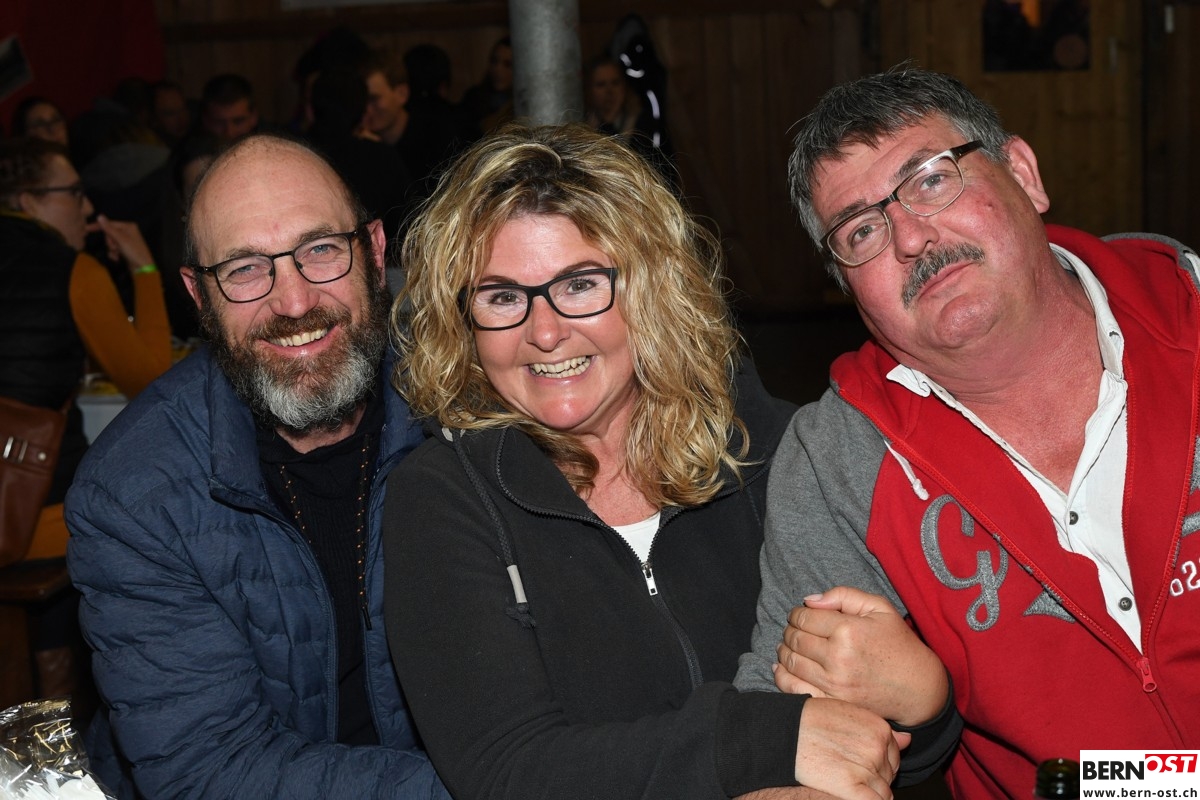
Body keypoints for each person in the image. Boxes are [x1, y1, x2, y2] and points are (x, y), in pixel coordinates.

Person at [384, 123, 955, 800]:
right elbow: (507, 772)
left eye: (580, 284)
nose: (545, 332)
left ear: (649, 290)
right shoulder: (443, 497)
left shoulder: (773, 450)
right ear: (463, 322)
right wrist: (755, 743)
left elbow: (878, 735)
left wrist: (928, 707)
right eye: (503, 297)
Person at [735, 66, 1200, 798]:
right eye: (862, 229)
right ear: (846, 286)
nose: (912, 238)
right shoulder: (840, 460)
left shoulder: (1191, 313)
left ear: (1024, 175)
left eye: (930, 180)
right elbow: (788, 741)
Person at [64, 133, 449, 800]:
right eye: (244, 268)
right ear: (199, 294)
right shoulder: (134, 494)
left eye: (320, 250)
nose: (294, 302)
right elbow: (209, 772)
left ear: (374, 250)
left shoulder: (462, 413)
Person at [0, 136, 171, 701]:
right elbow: (151, 383)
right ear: (28, 200)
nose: (87, 207)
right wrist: (144, 267)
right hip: (32, 521)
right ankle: (59, 713)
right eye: (72, 193)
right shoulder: (71, 271)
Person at [457, 35, 513, 140]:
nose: (498, 69)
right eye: (494, 61)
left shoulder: (522, 104)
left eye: (507, 64)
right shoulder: (474, 98)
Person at [199, 72, 261, 143]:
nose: (229, 132)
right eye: (219, 122)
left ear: (254, 116)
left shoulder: (271, 142)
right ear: (205, 119)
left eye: (238, 121)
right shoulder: (193, 146)